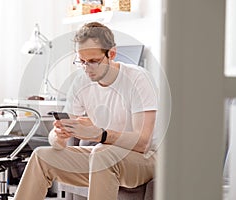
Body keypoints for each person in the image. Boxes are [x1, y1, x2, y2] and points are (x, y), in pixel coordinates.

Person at [14, 21, 158, 200]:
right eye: (81, 61)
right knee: (41, 157)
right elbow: (57, 139)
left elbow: (142, 142)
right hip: (104, 156)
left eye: (93, 61)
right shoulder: (81, 83)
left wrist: (100, 135)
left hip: (146, 160)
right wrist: (59, 136)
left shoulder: (138, 79)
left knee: (101, 153)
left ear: (111, 54)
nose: (86, 68)